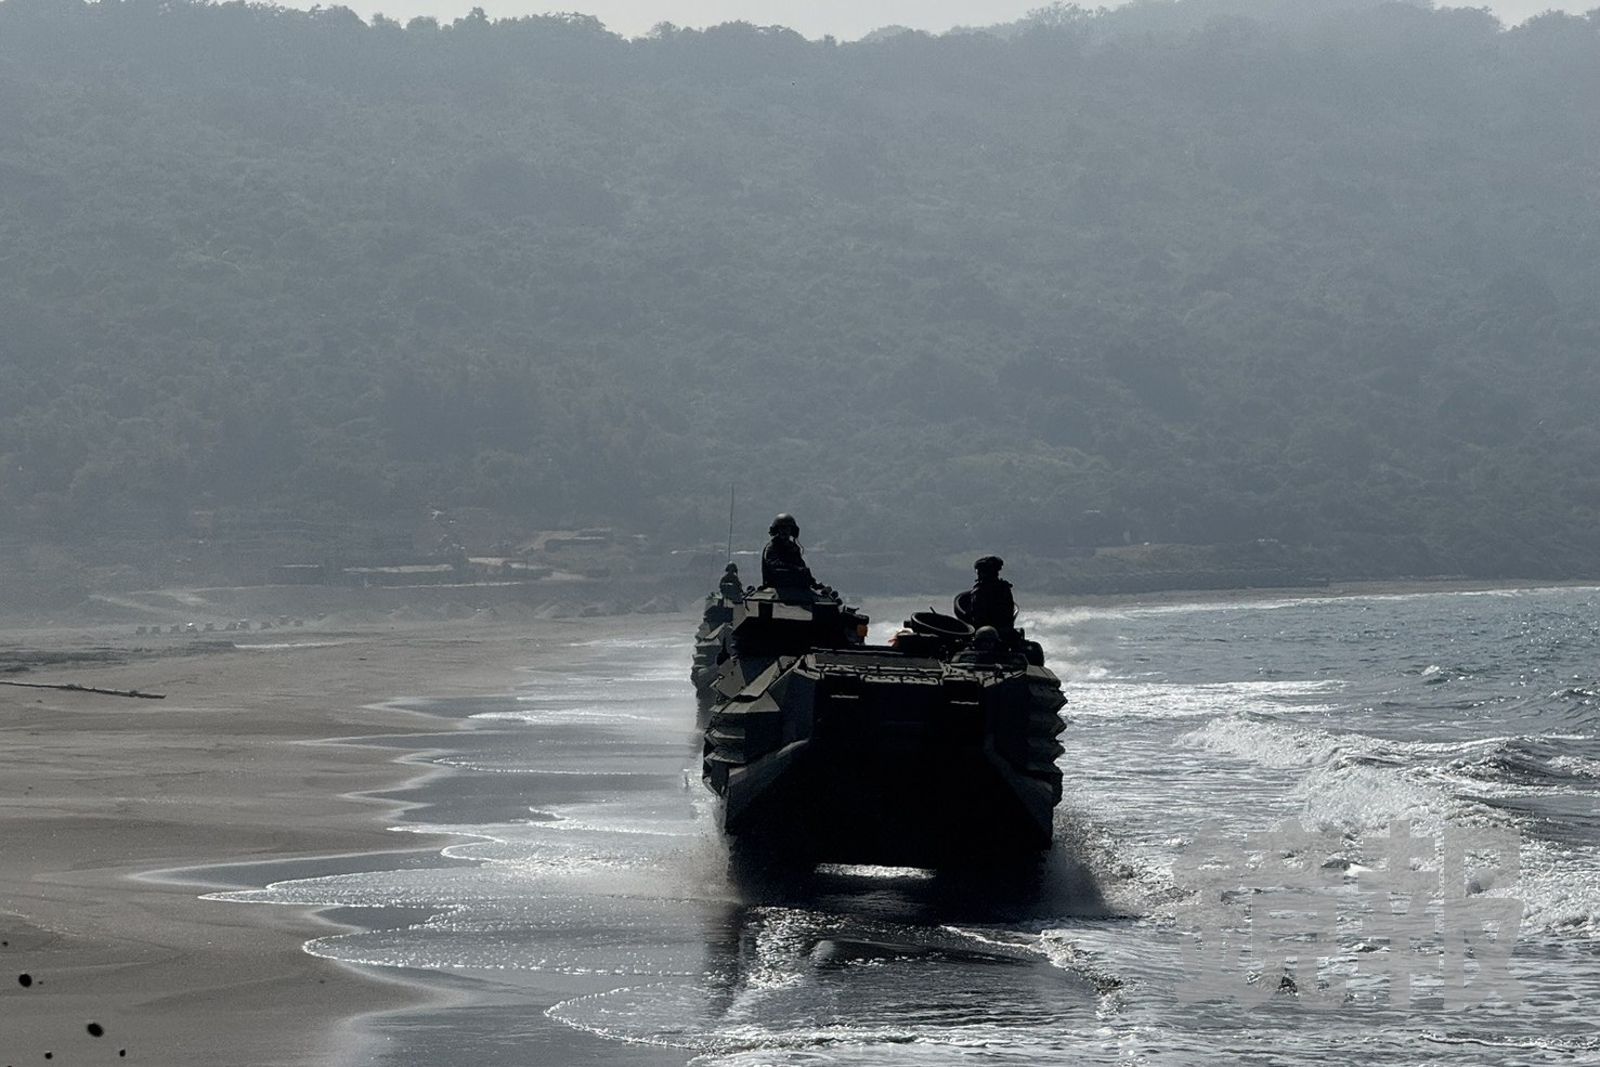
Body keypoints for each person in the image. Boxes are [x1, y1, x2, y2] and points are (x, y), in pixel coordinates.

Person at [760, 513, 819, 592]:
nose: (785, 531)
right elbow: (773, 564)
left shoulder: (793, 548)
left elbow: (801, 566)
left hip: (796, 588)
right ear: (777, 530)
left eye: (788, 528)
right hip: (777, 585)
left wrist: (812, 582)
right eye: (782, 528)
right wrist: (794, 568)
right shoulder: (772, 547)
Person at [964, 555, 1017, 635]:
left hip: (985, 631)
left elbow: (976, 615)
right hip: (1003, 630)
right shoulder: (1004, 588)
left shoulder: (980, 591)